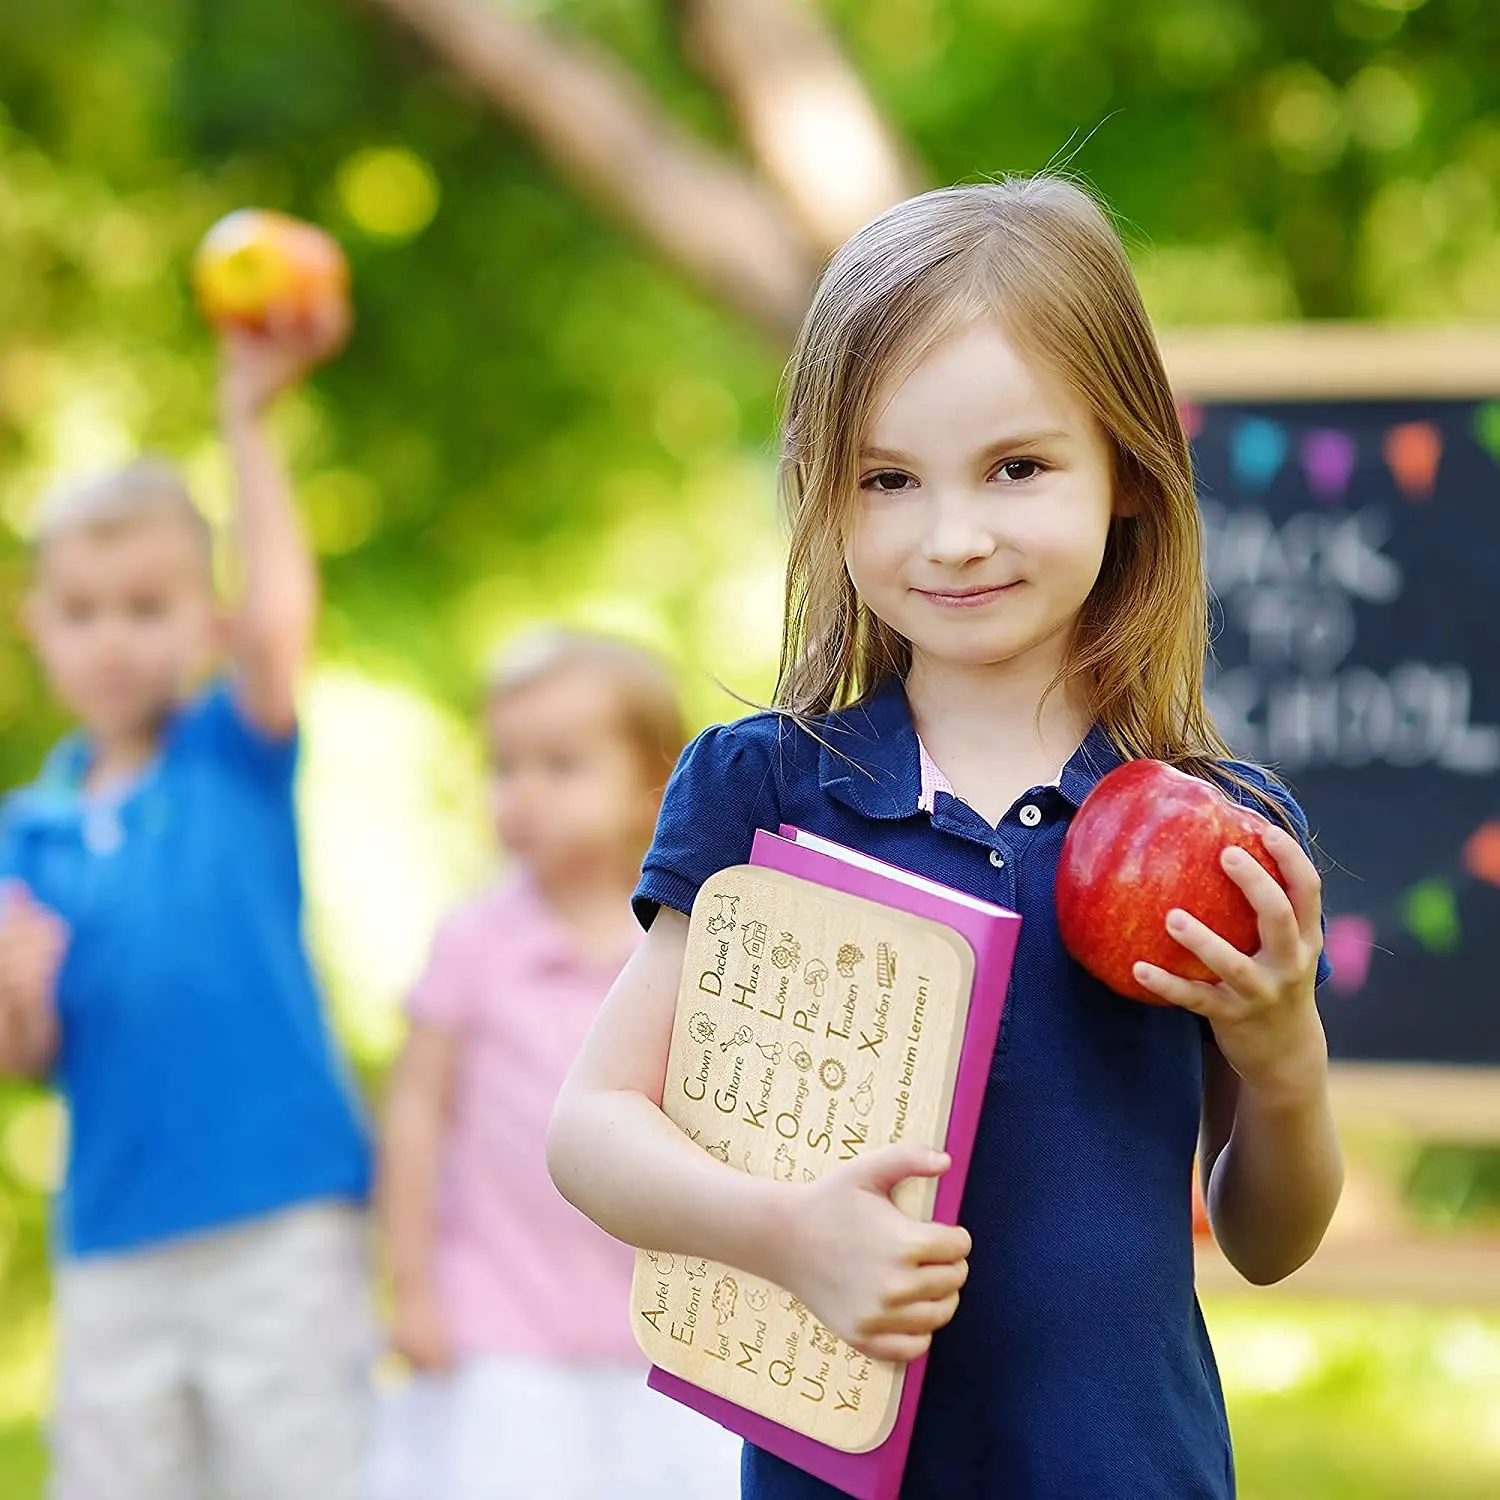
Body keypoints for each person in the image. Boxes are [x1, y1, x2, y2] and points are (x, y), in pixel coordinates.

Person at [547, 176, 1344, 1499]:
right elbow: (591, 1127)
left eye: (1018, 468)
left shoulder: (1225, 832)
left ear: (1128, 475)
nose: (954, 535)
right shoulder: (767, 793)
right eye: (890, 479)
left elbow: (1269, 1240)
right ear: (827, 496)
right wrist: (784, 1235)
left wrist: (1285, 1061)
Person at [0, 310, 374, 1500]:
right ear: (37, 626)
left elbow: (279, 628)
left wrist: (245, 419)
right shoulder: (25, 831)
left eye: (147, 607)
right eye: (85, 610)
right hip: (117, 1235)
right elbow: (30, 1057)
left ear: (207, 622)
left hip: (278, 1217)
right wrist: (14, 998)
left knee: (300, 1472)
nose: (113, 639)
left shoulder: (228, 755)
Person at [370, 629, 743, 1500]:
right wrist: (412, 1286)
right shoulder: (474, 942)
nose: (522, 794)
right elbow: (417, 1115)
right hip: (501, 1320)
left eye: (561, 765)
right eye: (505, 767)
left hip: (662, 1328)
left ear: (652, 789)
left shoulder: (691, 947)